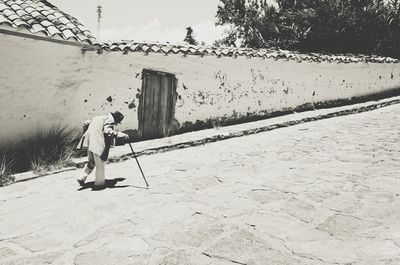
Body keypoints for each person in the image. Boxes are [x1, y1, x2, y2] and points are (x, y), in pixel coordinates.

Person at [76, 111, 129, 187]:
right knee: (100, 163)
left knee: (91, 162)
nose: (116, 124)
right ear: (115, 119)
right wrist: (120, 134)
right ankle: (99, 183)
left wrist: (88, 133)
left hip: (89, 141)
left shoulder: (97, 117)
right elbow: (107, 130)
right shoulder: (110, 119)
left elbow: (85, 124)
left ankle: (81, 177)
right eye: (117, 122)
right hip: (98, 142)